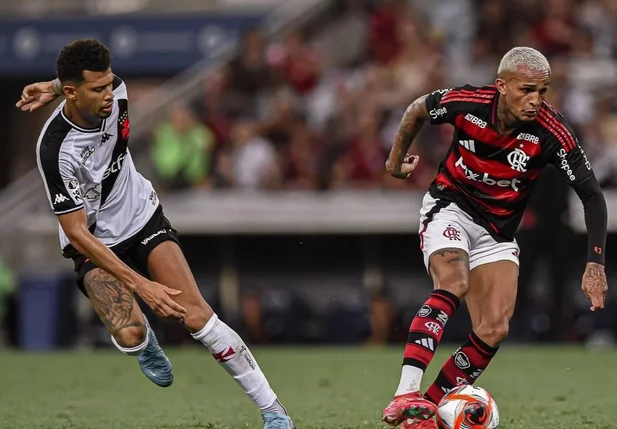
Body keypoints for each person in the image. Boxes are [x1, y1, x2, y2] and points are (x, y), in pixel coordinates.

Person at [17, 39, 295, 429]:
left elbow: (90, 84)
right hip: (93, 241)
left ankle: (274, 411)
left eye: (108, 83)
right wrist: (141, 287)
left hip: (140, 216)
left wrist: (51, 85)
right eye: (97, 89)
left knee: (197, 315)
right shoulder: (54, 150)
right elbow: (77, 233)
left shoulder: (116, 91)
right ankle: (144, 343)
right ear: (72, 91)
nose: (108, 94)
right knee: (129, 332)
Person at [381, 46, 608, 429]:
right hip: (449, 208)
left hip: (497, 232)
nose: (536, 100)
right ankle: (406, 393)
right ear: (501, 86)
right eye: (526, 90)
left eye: (543, 91)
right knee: (453, 281)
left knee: (495, 327)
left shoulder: (552, 132)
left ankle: (427, 413)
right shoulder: (468, 102)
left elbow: (592, 195)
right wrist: (394, 160)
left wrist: (595, 263)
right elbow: (419, 107)